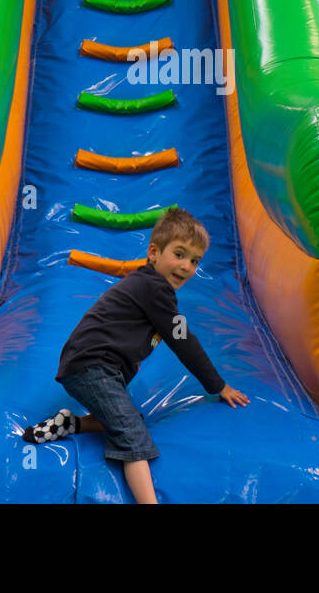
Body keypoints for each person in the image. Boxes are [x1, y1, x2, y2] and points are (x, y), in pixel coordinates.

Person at [22, 206, 249, 503]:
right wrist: (218, 386)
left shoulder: (151, 286)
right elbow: (184, 341)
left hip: (94, 367)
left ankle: (71, 423)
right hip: (91, 368)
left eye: (195, 261)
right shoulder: (155, 289)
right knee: (134, 437)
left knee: (130, 419)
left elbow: (139, 329)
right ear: (154, 252)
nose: (186, 267)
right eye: (179, 254)